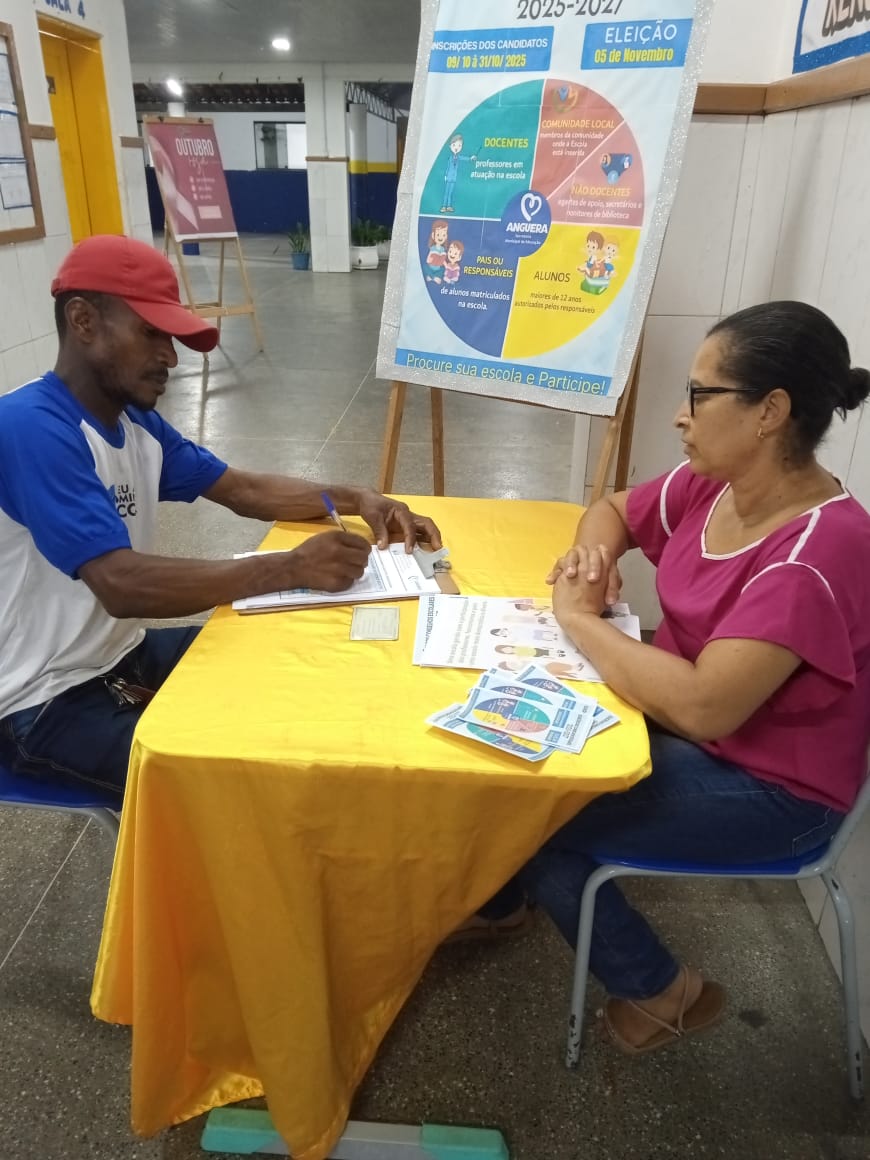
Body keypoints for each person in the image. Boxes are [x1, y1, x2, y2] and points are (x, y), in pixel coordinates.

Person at [469, 301, 870, 1053]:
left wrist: (579, 619)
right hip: (683, 716)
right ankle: (502, 901)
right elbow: (612, 510)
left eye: (699, 394)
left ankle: (661, 990)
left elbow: (704, 707)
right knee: (505, 750)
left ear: (770, 412)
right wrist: (594, 559)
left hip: (773, 786)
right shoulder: (718, 483)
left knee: (536, 822)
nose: (681, 416)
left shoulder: (814, 554)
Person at [0, 234, 441, 806]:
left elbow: (243, 490)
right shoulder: (30, 427)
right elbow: (121, 584)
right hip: (42, 702)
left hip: (121, 659)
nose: (170, 357)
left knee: (299, 657)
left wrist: (359, 498)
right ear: (83, 321)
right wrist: (286, 568)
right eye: (151, 333)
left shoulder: (134, 422)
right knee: (258, 779)